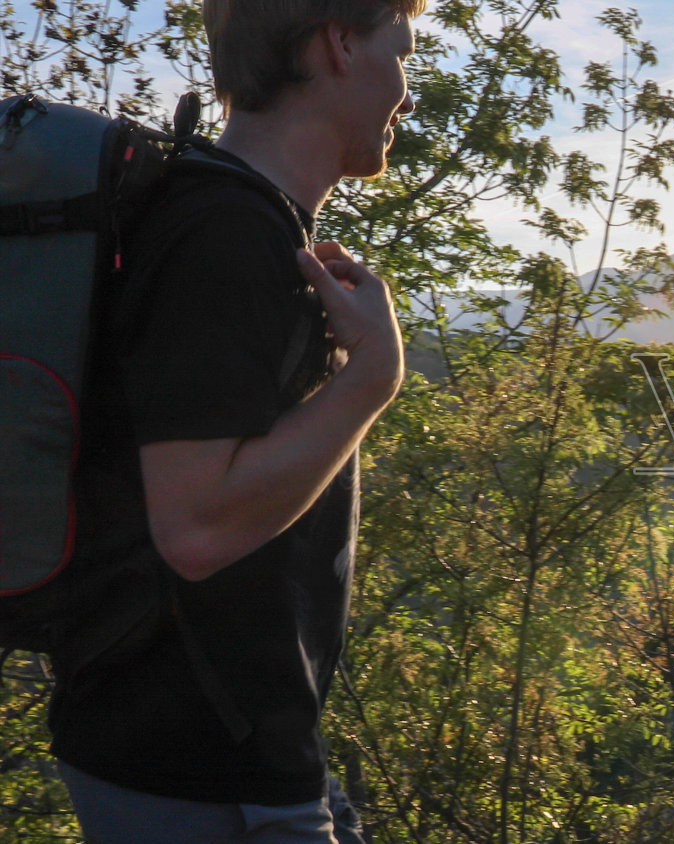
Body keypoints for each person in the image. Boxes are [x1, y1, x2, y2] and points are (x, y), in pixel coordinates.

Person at [46, 0, 423, 838]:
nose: (407, 91)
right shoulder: (224, 233)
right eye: (402, 54)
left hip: (244, 755)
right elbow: (197, 527)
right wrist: (372, 379)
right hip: (199, 777)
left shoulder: (237, 220)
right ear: (340, 43)